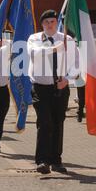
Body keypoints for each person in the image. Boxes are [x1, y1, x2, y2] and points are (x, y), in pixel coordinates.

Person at [27, 10, 79, 174]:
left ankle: (56, 160)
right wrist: (56, 48)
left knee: (58, 123)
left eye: (53, 22)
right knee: (45, 122)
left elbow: (76, 64)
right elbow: (34, 54)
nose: (50, 25)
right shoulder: (35, 39)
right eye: (46, 22)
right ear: (42, 24)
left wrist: (67, 79)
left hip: (60, 88)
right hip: (41, 88)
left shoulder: (67, 39)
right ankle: (42, 160)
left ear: (57, 23)